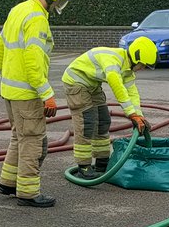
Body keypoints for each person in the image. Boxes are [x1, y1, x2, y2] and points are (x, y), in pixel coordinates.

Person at [0, 0, 72, 208]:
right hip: (27, 94)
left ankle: (8, 182)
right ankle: (28, 192)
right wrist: (47, 94)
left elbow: (0, 45)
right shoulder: (37, 18)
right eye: (60, 0)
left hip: (10, 91)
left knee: (18, 136)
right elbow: (33, 60)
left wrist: (4, 74)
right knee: (33, 141)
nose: (59, 5)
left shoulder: (18, 9)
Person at [61, 37, 157, 179]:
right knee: (86, 123)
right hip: (76, 83)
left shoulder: (128, 69)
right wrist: (131, 114)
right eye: (142, 65)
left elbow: (132, 93)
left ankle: (102, 162)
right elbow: (118, 89)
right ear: (136, 57)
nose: (142, 68)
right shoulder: (113, 61)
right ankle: (84, 165)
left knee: (103, 120)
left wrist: (139, 115)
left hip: (92, 85)